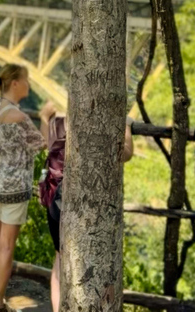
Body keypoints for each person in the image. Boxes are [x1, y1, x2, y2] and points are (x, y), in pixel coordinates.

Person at [0, 64, 55, 312]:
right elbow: (42, 144)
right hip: (13, 190)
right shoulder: (20, 118)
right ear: (15, 84)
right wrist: (44, 118)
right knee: (6, 246)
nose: (29, 84)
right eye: (26, 80)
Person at [45, 116, 134, 312]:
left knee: (60, 258)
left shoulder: (60, 117)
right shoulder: (103, 118)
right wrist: (126, 126)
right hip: (86, 203)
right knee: (87, 261)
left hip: (56, 196)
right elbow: (125, 153)